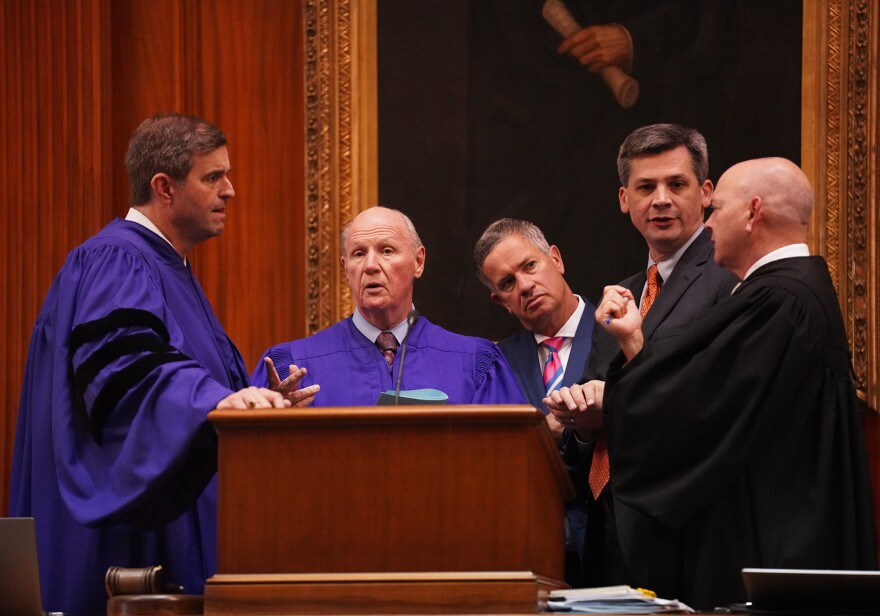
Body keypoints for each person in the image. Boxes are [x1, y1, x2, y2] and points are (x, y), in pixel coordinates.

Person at [554, 157, 878, 609]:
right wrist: (633, 344)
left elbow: (696, 412)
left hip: (773, 548)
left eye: (717, 210)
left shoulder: (779, 300)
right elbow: (707, 397)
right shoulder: (786, 293)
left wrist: (612, 402)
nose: (707, 226)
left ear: (753, 213)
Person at [8, 113, 291, 616]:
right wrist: (216, 399)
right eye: (213, 177)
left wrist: (251, 404)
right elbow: (125, 369)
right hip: (125, 546)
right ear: (164, 186)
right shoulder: (117, 260)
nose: (231, 191)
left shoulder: (167, 267)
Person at [548, 123, 738, 587]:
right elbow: (602, 411)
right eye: (646, 187)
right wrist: (581, 419)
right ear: (624, 200)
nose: (661, 199)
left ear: (706, 191)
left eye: (677, 184)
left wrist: (619, 388)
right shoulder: (622, 293)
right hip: (606, 524)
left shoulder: (730, 280)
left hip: (681, 529)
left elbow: (714, 405)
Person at [252, 206, 524, 406]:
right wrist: (277, 420)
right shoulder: (293, 367)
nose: (370, 265)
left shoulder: (475, 364)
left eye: (387, 251)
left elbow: (508, 459)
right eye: (359, 254)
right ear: (346, 269)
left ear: (418, 262)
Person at [474, 217, 597, 585]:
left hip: (610, 542)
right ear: (501, 301)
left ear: (555, 259)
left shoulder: (618, 329)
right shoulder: (496, 363)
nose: (525, 286)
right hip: (531, 553)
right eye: (508, 283)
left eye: (530, 266)